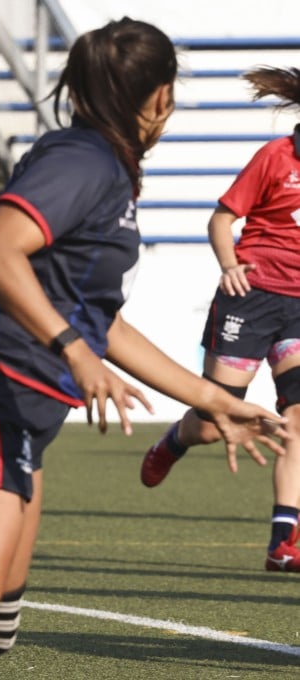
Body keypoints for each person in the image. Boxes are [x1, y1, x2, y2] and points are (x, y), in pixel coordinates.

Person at [0, 18, 289, 680]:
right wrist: (72, 348)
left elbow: (101, 321)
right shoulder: (83, 161)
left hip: (16, 422)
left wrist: (213, 400)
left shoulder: (103, 167)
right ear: (159, 98)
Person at [140, 66, 300, 572]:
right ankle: (174, 441)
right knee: (216, 423)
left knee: (298, 422)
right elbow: (222, 218)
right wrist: (229, 264)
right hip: (250, 300)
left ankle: (282, 545)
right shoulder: (276, 156)